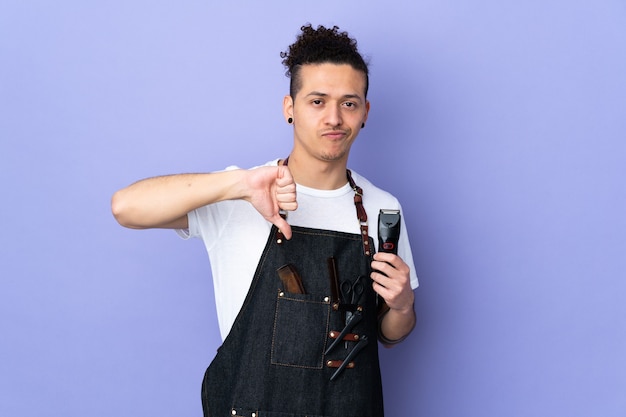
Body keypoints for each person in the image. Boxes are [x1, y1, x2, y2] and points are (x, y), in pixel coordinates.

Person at [112, 23, 418, 417]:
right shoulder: (241, 193)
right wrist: (236, 184)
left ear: (365, 113)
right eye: (317, 101)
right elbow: (125, 207)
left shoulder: (382, 209)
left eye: (349, 103)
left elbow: (390, 335)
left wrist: (404, 305)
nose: (334, 118)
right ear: (289, 108)